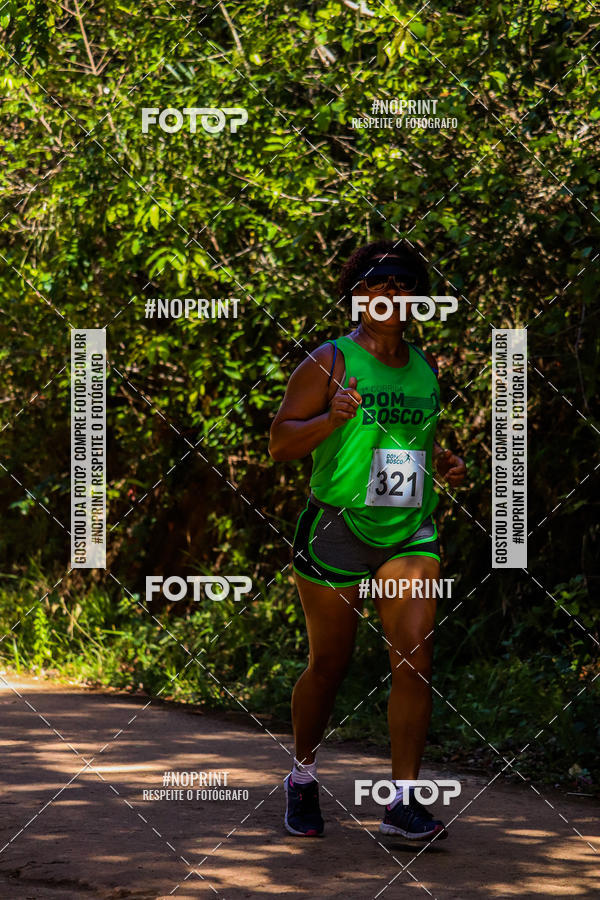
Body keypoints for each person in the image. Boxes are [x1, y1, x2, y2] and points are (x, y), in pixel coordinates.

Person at [269, 239, 466, 841]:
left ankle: (402, 801)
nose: (389, 295)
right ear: (357, 297)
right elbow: (280, 442)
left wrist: (443, 460)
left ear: (417, 299)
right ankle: (302, 776)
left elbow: (410, 437)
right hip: (336, 526)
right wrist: (329, 419)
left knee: (415, 661)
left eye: (402, 285)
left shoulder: (426, 367)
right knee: (330, 665)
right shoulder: (330, 360)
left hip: (408, 529)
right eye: (375, 286)